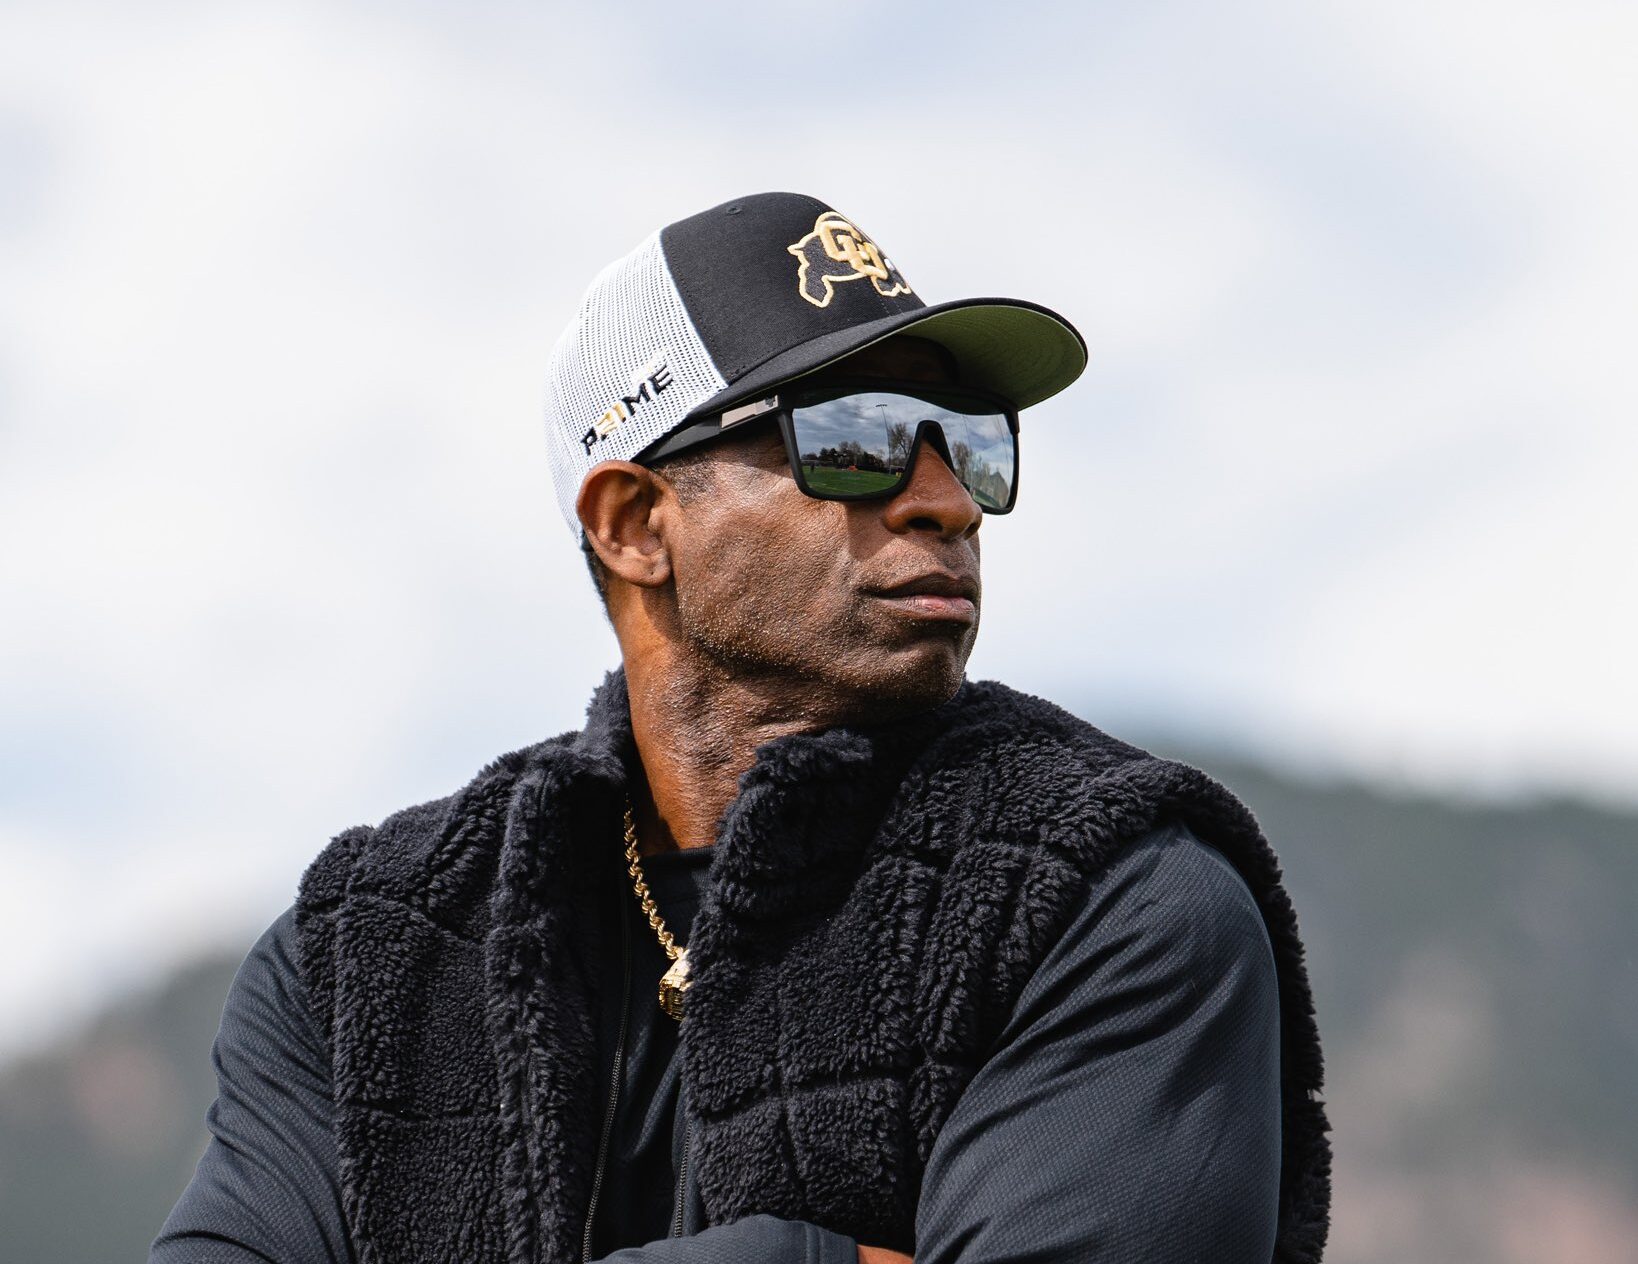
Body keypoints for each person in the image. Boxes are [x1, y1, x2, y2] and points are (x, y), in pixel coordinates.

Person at [152, 192, 1332, 1264]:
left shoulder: (1107, 891)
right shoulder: (366, 952)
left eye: (968, 439)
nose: (948, 499)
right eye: (857, 437)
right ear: (633, 523)